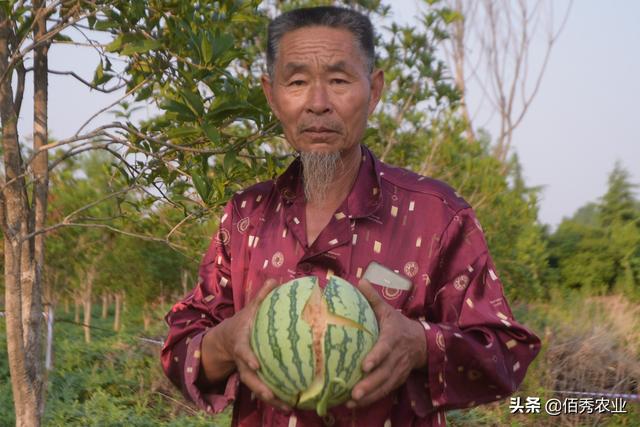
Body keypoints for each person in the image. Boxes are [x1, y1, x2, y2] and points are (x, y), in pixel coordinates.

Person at [161, 6, 540, 427]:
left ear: (374, 90)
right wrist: (223, 345)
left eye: (339, 80)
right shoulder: (245, 217)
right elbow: (180, 348)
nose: (318, 104)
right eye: (298, 81)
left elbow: (506, 354)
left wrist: (421, 344)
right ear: (271, 95)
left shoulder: (437, 215)